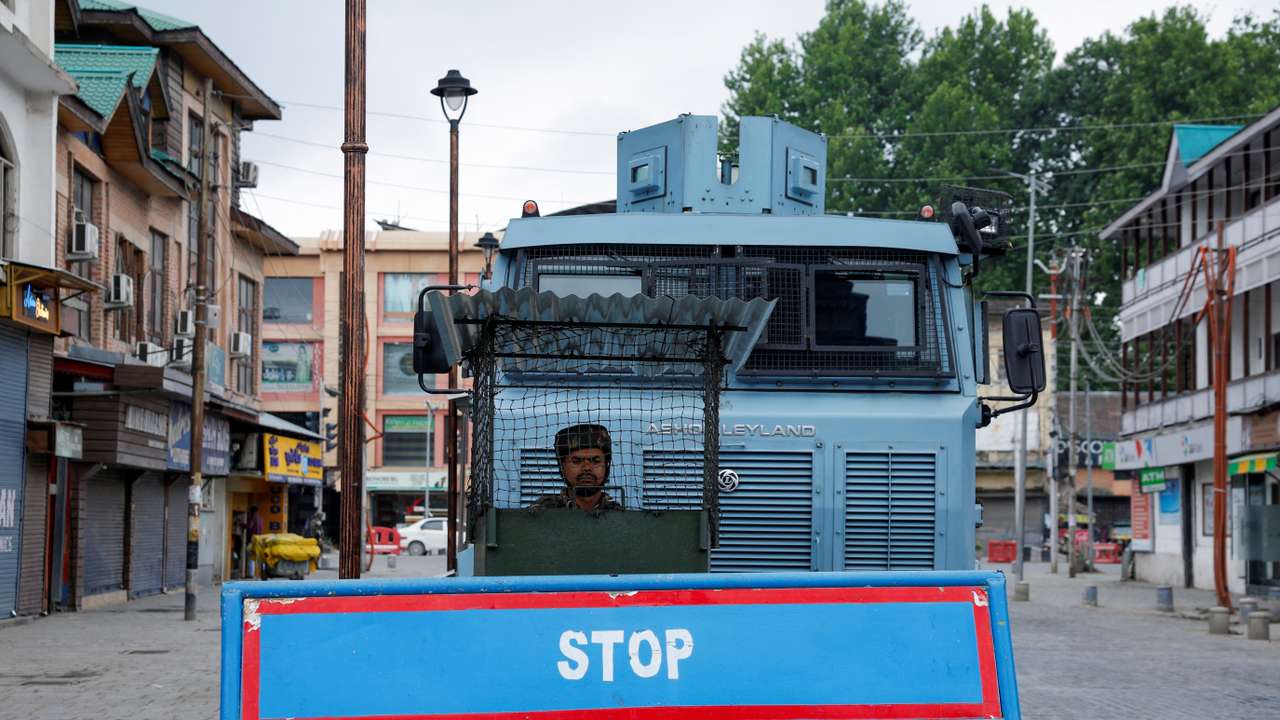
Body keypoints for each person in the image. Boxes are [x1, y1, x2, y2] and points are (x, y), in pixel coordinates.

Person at [530, 423, 623, 512]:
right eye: (576, 461)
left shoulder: (619, 515)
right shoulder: (542, 512)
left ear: (606, 465)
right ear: (562, 466)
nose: (586, 468)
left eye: (595, 461)